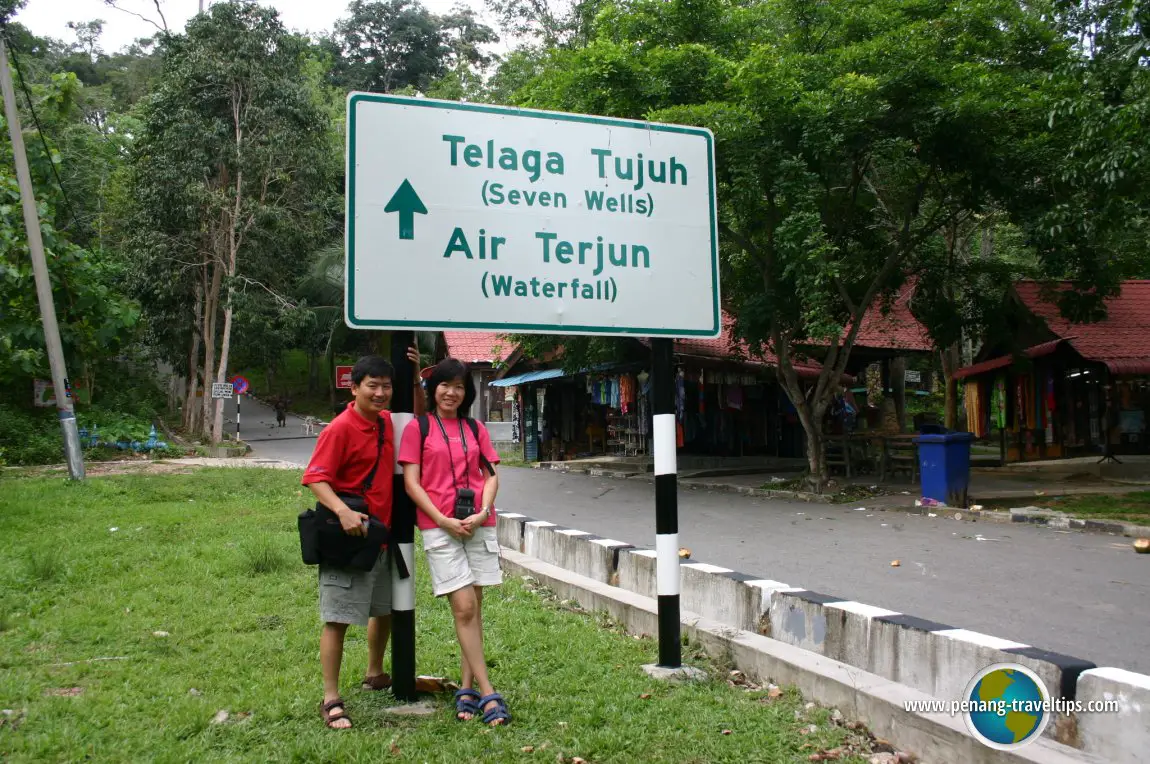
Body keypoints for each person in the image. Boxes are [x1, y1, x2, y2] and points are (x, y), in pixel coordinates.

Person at [301, 348, 421, 731]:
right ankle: (331, 698)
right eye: (372, 386)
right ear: (354, 388)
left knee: (383, 609)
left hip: (380, 537)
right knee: (338, 617)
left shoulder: (388, 423)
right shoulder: (339, 428)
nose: (381, 393)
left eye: (386, 386)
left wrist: (415, 375)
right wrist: (343, 511)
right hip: (347, 535)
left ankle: (374, 672)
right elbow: (315, 477)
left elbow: (416, 417)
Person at [399, 358, 510, 726]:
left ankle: (466, 689)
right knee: (463, 607)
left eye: (460, 387)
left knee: (474, 610)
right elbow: (411, 483)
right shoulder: (419, 428)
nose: (452, 392)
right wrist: (443, 520)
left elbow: (491, 474)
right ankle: (488, 690)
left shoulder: (475, 428)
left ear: (467, 393)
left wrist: (481, 511)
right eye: (446, 385)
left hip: (478, 524)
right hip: (439, 526)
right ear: (434, 389)